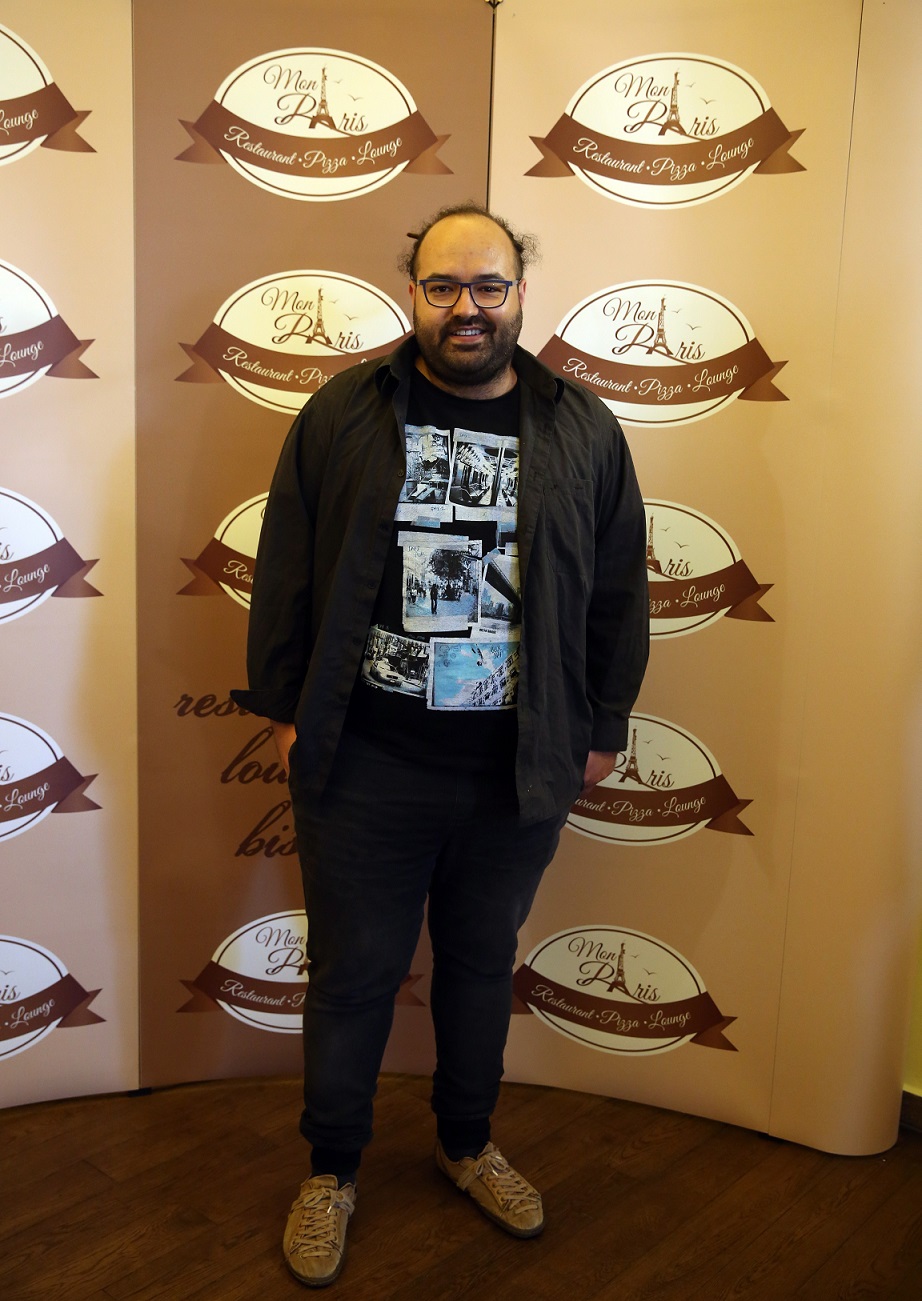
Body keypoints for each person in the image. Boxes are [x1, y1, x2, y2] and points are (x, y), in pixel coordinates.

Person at [231, 203, 649, 1288]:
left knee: (477, 966)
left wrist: (603, 723)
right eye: (444, 286)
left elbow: (616, 587)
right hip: (364, 764)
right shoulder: (344, 411)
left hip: (517, 768)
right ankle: (331, 1169)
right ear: (412, 293)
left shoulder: (583, 426)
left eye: (488, 286)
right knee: (353, 976)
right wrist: (286, 708)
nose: (468, 308)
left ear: (519, 294)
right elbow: (285, 564)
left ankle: (467, 1143)